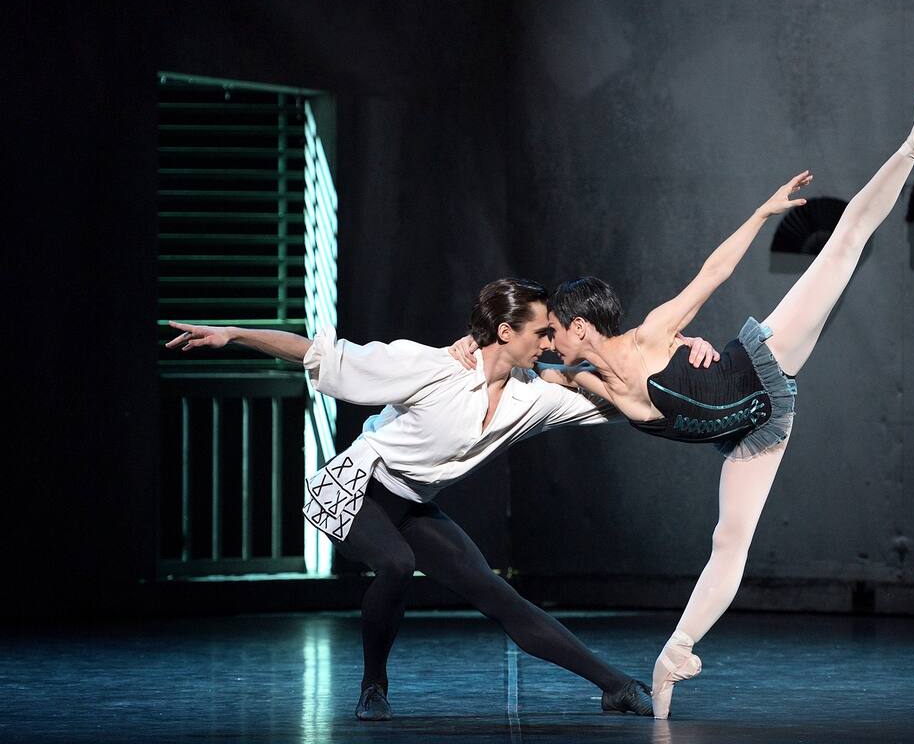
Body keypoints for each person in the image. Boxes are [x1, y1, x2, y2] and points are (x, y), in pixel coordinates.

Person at [529, 71, 914, 717]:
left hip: (762, 368)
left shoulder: (648, 338)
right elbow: (525, 374)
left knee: (841, 248)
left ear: (581, 324)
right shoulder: (588, 386)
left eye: (554, 331)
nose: (551, 342)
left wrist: (759, 212)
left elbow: (714, 272)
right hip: (754, 433)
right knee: (731, 542)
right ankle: (677, 650)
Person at [165, 278, 718, 722]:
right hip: (357, 486)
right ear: (506, 331)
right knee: (396, 563)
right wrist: (235, 333)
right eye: (542, 334)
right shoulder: (434, 367)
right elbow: (323, 355)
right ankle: (373, 686)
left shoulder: (534, 396)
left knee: (497, 594)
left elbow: (629, 399)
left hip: (411, 503)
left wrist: (679, 354)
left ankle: (615, 686)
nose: (551, 343)